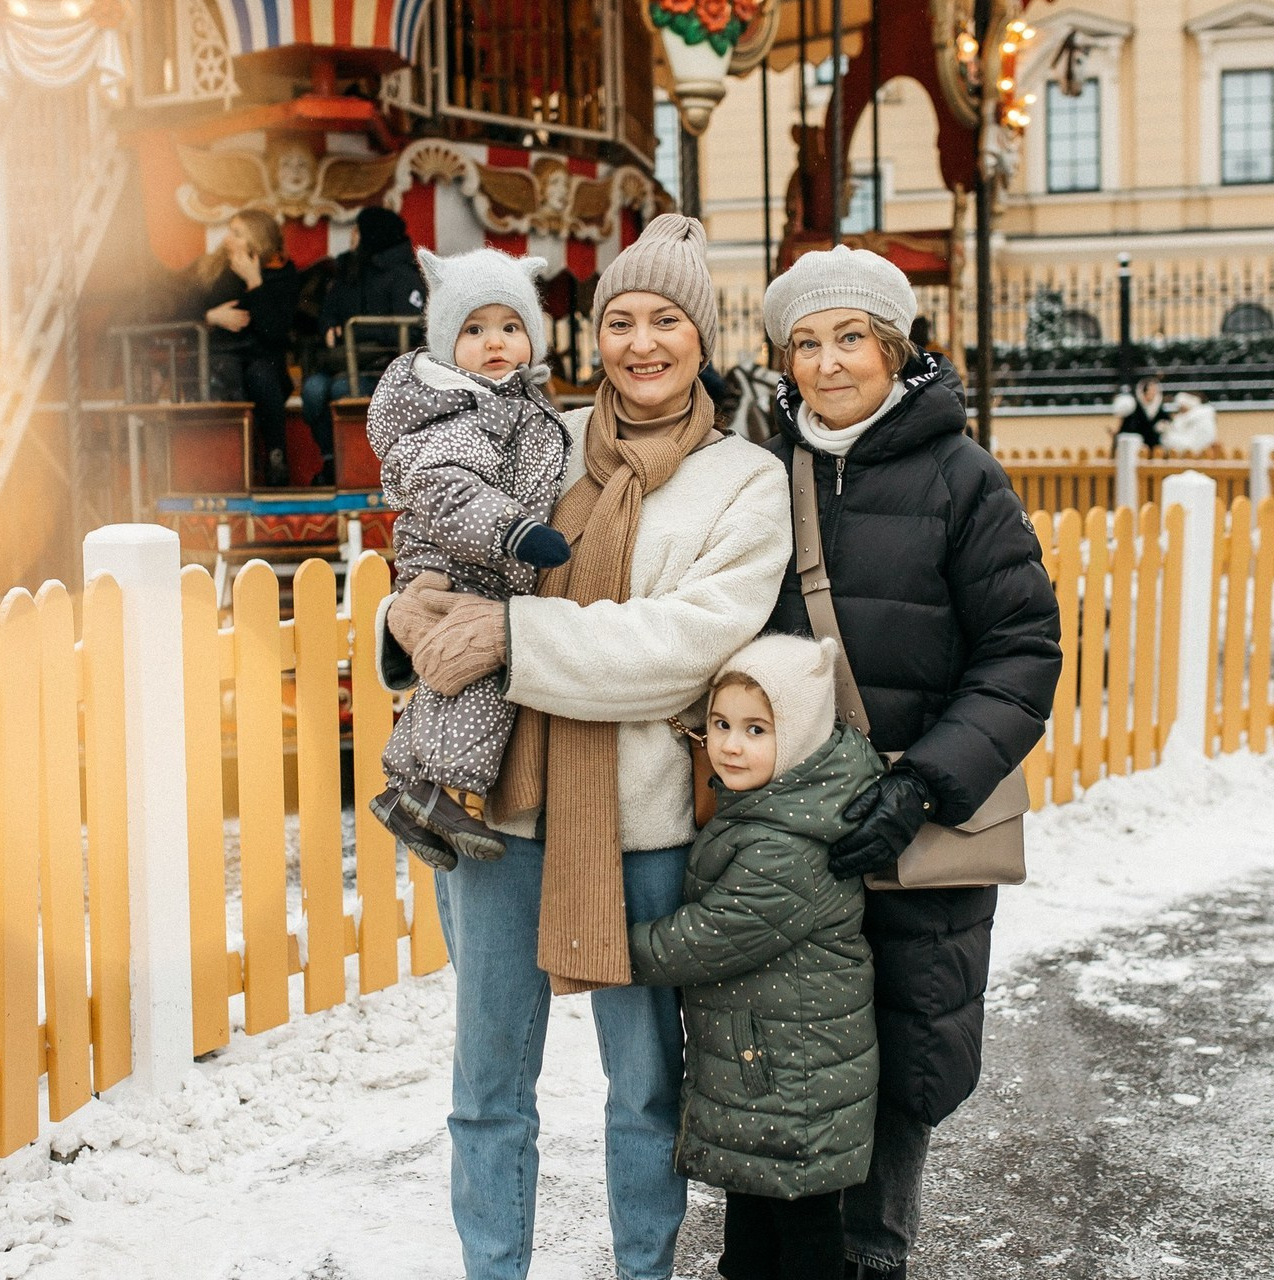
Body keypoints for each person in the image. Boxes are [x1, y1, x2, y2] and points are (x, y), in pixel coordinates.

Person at [380, 213, 793, 1280]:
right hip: (500, 812)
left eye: (665, 319)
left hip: (644, 823)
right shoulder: (533, 434)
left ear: (703, 338)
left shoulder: (742, 482)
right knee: (487, 1086)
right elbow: (435, 544)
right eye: (619, 319)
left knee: (647, 1084)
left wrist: (512, 636)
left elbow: (681, 646)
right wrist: (403, 620)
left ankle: (643, 1268)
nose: (640, 341)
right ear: (591, 332)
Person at [760, 245, 1063, 1280]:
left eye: (849, 338)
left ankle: (876, 1244)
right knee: (789, 1043)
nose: (827, 363)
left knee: (901, 1046)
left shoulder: (961, 476)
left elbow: (1020, 648)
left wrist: (924, 779)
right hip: (792, 824)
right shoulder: (767, 472)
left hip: (911, 813)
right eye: (805, 341)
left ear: (894, 348)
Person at [628, 633, 885, 1280]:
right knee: (749, 1240)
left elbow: (710, 936)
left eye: (755, 729)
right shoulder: (765, 812)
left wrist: (613, 949)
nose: (731, 744)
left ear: (796, 738)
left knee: (800, 1241)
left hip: (796, 1087)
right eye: (719, 724)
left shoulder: (787, 844)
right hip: (767, 1076)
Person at [366, 247, 571, 870]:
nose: (496, 343)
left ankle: (410, 790)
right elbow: (453, 493)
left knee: (457, 673)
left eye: (511, 327)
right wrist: (515, 533)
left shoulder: (515, 401)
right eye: (475, 330)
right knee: (475, 674)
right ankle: (437, 786)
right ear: (446, 340)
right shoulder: (450, 409)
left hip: (486, 562)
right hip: (460, 558)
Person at [302, 206, 426, 485]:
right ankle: (332, 460)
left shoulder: (404, 275)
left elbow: (409, 326)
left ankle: (363, 468)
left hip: (383, 370)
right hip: (343, 363)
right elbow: (329, 310)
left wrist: (352, 332)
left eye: (357, 229)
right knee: (312, 391)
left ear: (371, 233)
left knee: (342, 390)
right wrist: (328, 325)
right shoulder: (348, 269)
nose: (353, 235)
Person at [186, 209, 300, 485]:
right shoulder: (210, 268)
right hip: (221, 355)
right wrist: (211, 317)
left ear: (257, 241)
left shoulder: (281, 273)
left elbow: (276, 332)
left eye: (237, 234)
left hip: (263, 359)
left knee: (262, 376)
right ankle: (235, 466)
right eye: (229, 231)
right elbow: (181, 309)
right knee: (228, 374)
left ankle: (276, 458)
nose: (227, 239)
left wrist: (255, 283)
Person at [1111, 374, 1171, 449]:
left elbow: (1167, 421)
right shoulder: (1135, 407)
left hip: (1154, 446)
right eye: (1150, 390)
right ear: (1144, 392)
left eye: (1154, 391)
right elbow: (1129, 427)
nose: (1152, 393)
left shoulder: (1158, 407)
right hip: (1137, 446)